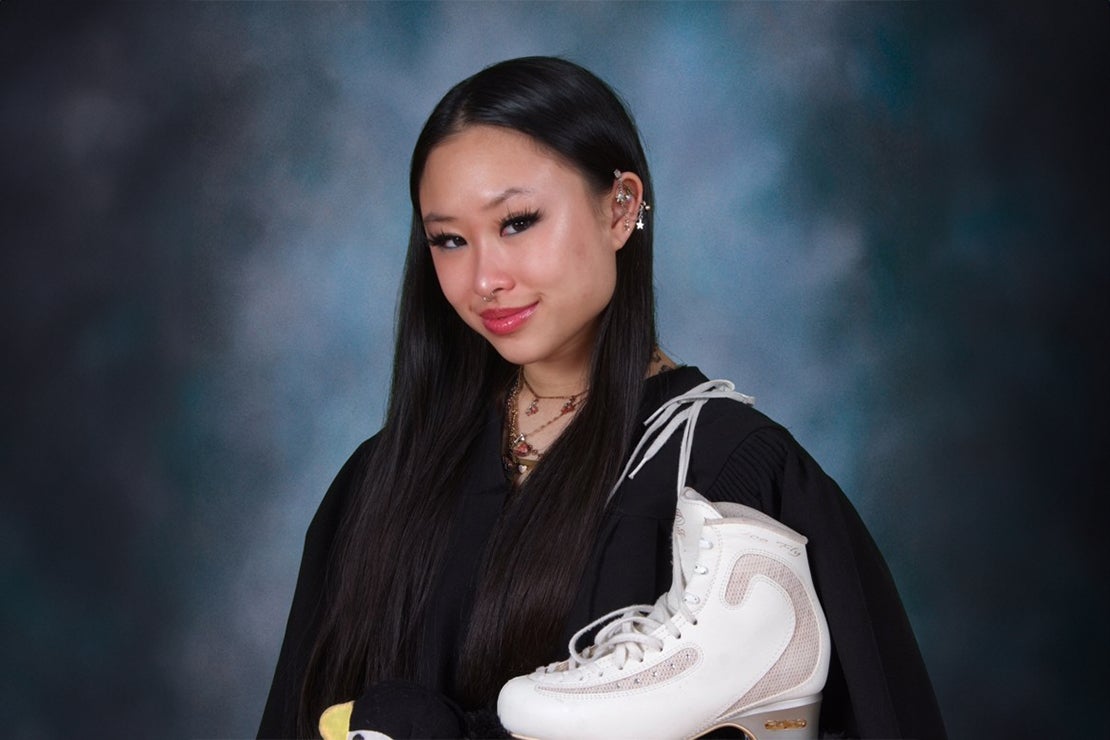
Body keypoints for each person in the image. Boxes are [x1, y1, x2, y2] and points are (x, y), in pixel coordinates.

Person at [258, 56, 945, 739]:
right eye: (449, 240)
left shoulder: (731, 478)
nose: (485, 278)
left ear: (620, 208)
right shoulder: (380, 479)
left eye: (518, 222)